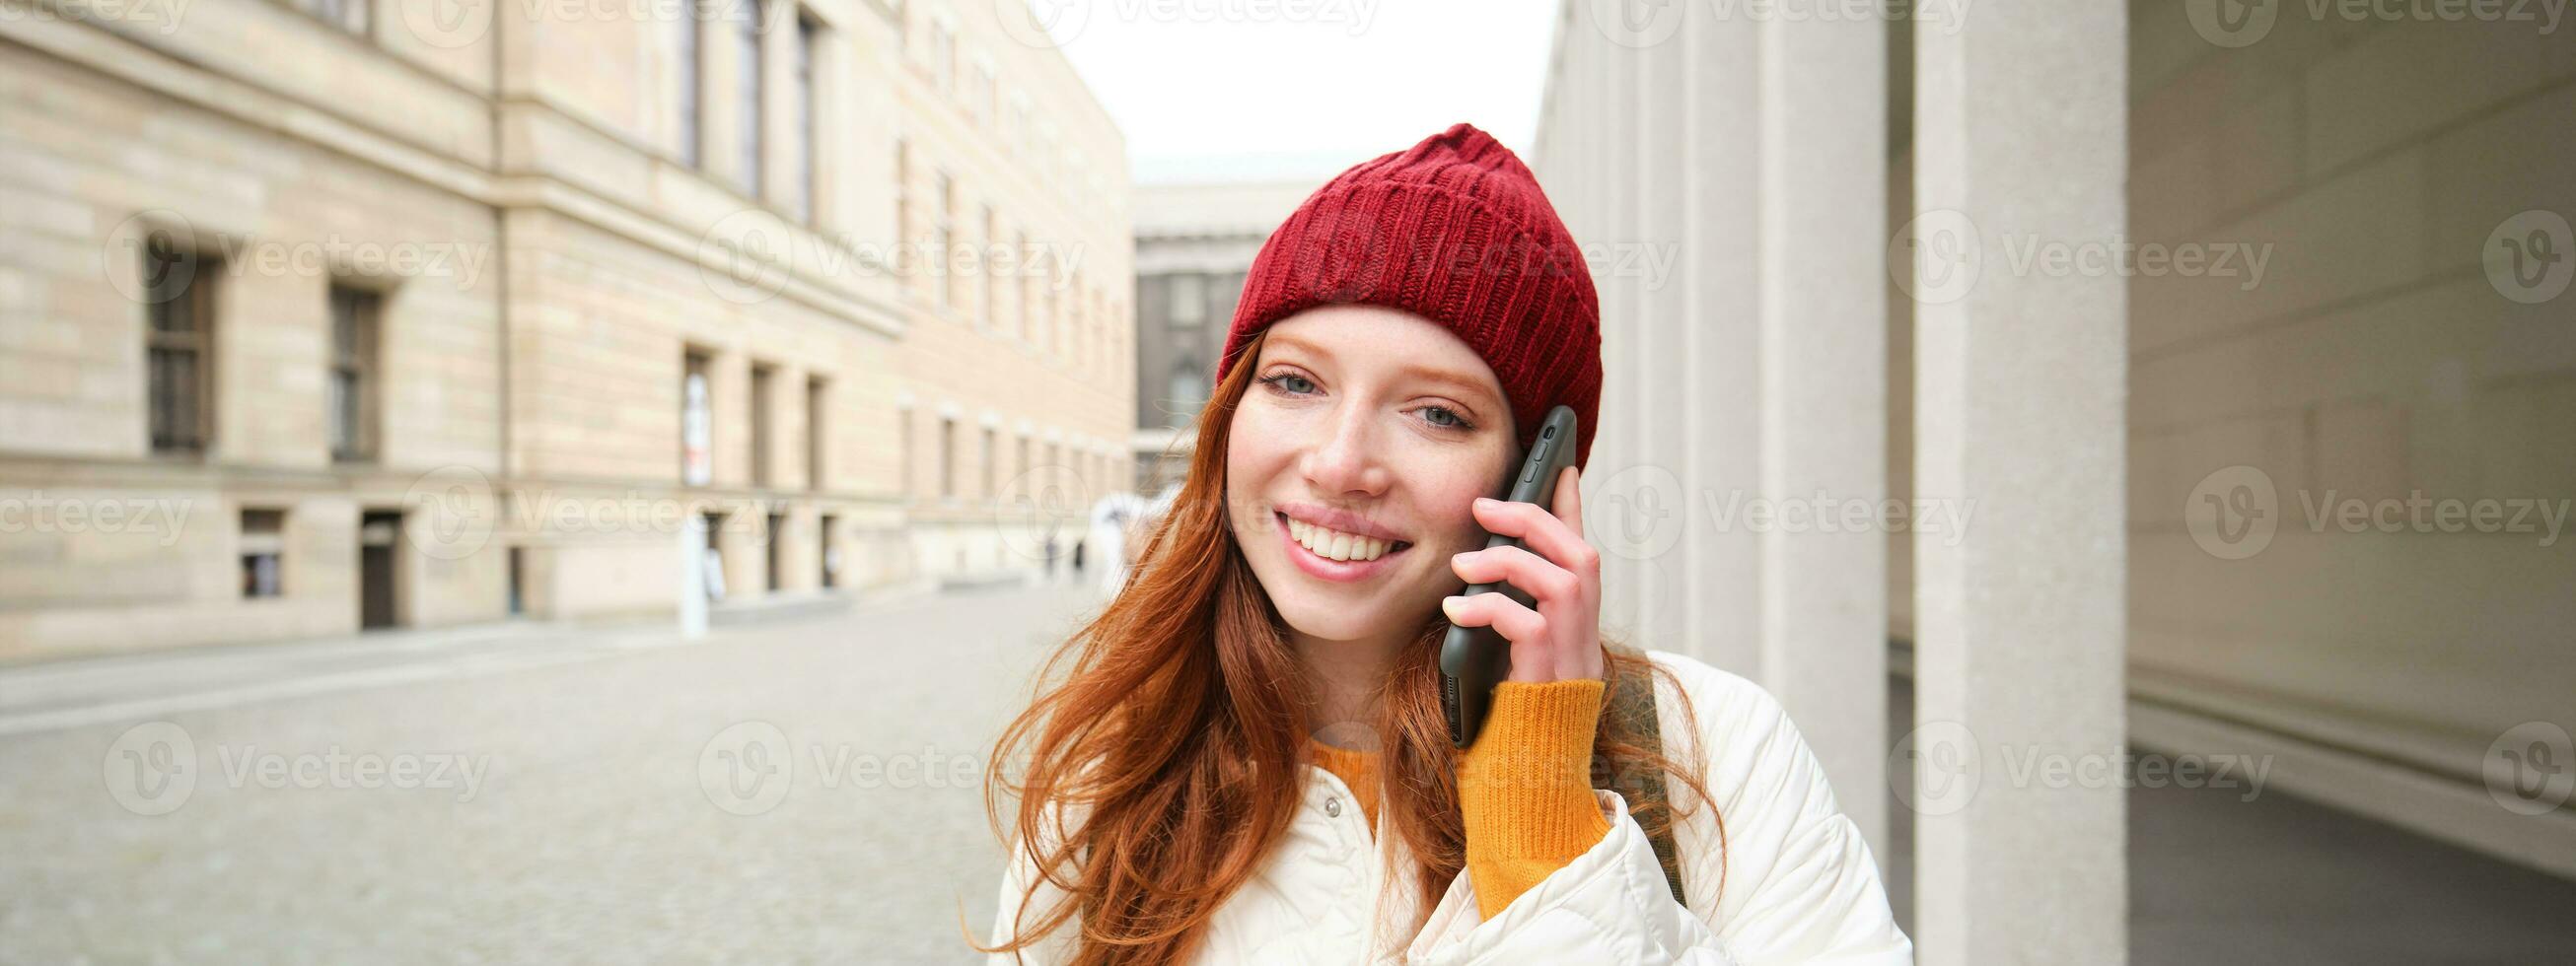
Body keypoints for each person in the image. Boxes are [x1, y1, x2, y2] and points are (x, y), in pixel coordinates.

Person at [977, 124, 1909, 964]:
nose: (1341, 465)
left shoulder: (1715, 748)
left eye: (1435, 413)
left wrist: (1542, 816)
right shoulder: (1119, 763)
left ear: (1536, 477)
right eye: (1297, 383)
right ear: (1231, 412)